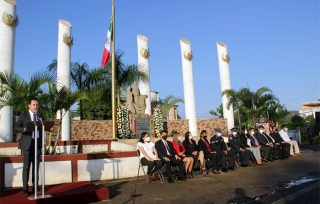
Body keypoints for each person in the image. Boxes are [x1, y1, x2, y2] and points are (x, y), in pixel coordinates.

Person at [14, 98, 44, 196]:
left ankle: (36, 186)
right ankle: (25, 188)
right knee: (26, 167)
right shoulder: (24, 115)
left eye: (37, 105)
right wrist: (25, 129)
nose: (36, 107)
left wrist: (48, 128)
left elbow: (43, 126)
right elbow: (16, 127)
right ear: (29, 105)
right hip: (27, 144)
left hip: (37, 144)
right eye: (34, 105)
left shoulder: (39, 116)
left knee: (36, 167)